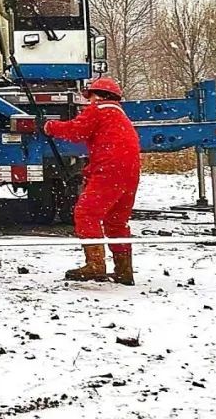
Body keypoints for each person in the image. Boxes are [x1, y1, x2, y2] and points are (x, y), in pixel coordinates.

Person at [43, 76, 141, 285]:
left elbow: (76, 131)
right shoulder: (120, 115)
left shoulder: (98, 110)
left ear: (98, 96)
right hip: (130, 173)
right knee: (116, 222)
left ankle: (95, 265)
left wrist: (50, 127)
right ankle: (124, 270)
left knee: (86, 213)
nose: (89, 101)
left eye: (90, 97)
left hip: (109, 170)